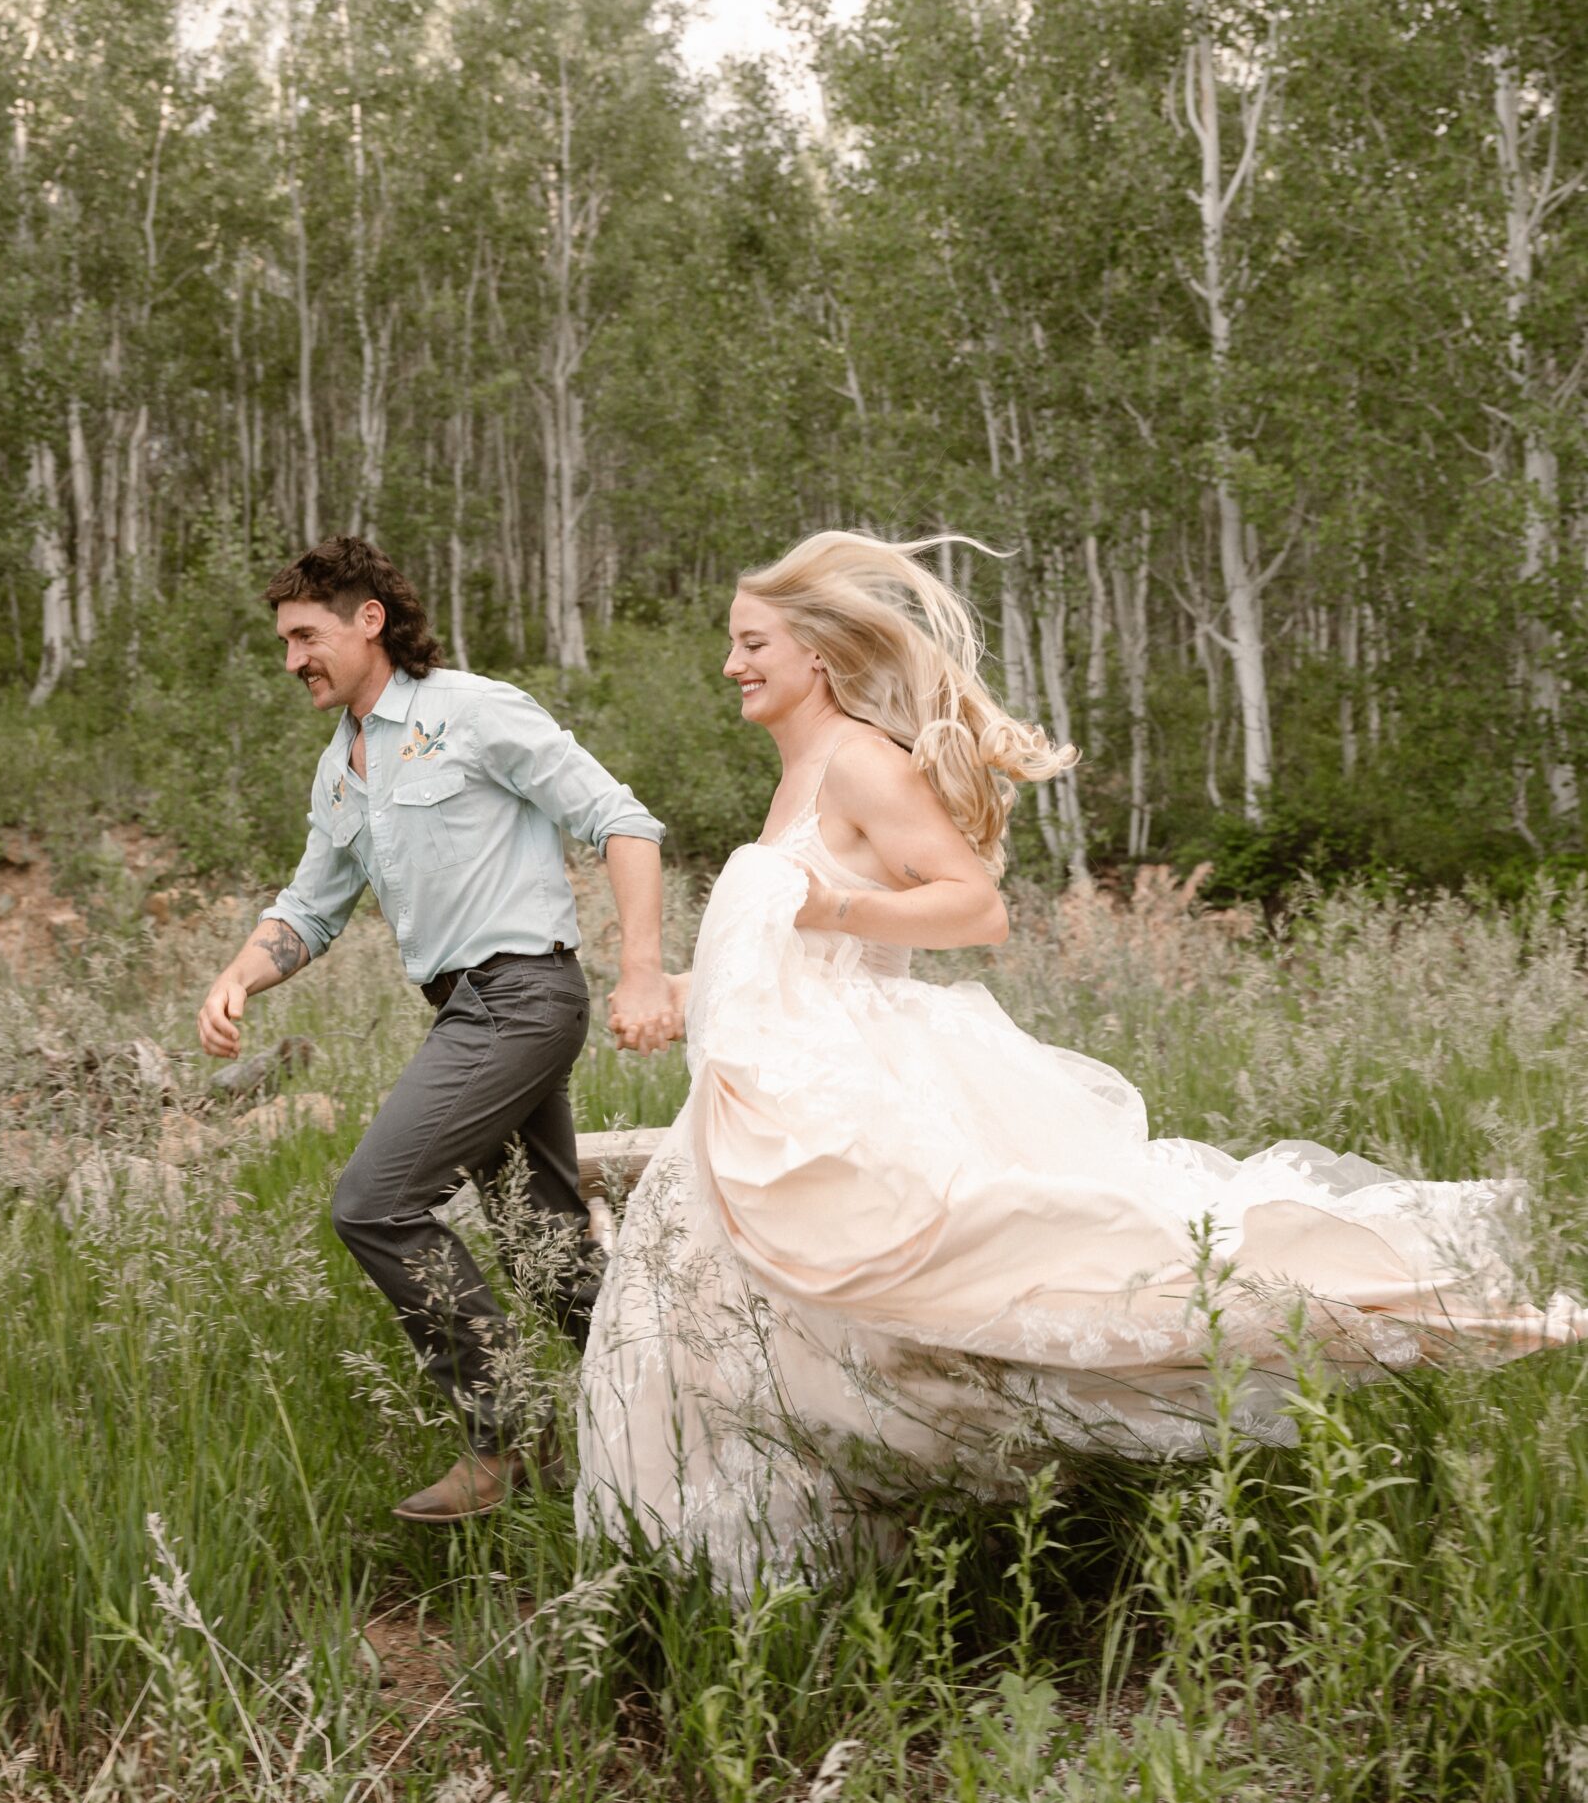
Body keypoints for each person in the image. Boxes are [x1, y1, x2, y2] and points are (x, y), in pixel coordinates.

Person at [576, 531, 1585, 1592]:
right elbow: (786, 951)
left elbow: (974, 907)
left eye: (751, 643)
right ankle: (767, 1555)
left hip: (871, 1077)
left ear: (817, 654)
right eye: (733, 646)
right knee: (755, 1318)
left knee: (1022, 1268)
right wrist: (679, 997)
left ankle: (1402, 1310)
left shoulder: (862, 761)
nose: (732, 665)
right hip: (781, 1090)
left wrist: (833, 902)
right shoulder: (795, 784)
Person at [196, 535, 677, 1523]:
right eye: (284, 641)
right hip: (469, 1009)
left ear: (368, 618)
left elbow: (620, 820)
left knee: (373, 1203)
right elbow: (311, 906)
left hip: (523, 998)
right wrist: (241, 972)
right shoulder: (342, 768)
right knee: (551, 1263)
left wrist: (640, 971)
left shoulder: (470, 708)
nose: (292, 660)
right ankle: (686, 1405)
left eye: (304, 635)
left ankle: (507, 1438)